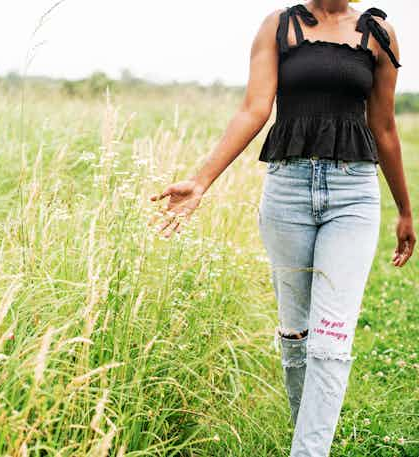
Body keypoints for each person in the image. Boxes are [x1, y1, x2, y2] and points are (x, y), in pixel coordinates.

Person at [149, 0, 415, 455]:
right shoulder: (279, 25)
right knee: (296, 335)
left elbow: (384, 126)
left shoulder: (379, 32)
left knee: (330, 339)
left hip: (353, 194)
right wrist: (200, 181)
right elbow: (254, 110)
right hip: (287, 192)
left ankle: (308, 451)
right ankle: (305, 437)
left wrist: (405, 211)